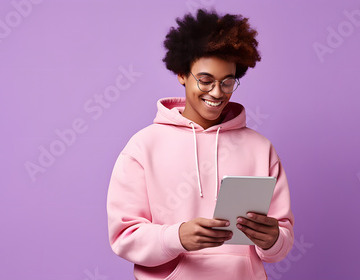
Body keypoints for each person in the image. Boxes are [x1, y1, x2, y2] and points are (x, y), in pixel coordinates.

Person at [107, 9, 294, 279]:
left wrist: (273, 239)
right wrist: (176, 237)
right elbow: (124, 237)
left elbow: (282, 242)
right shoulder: (143, 146)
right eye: (205, 80)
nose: (217, 93)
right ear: (182, 74)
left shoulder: (261, 148)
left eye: (227, 82)